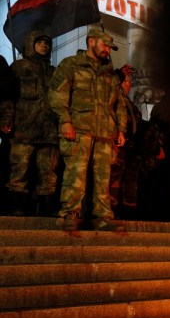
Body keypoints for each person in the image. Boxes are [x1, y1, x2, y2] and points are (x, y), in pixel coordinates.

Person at [48, 27, 127, 232]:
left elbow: (119, 105)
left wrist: (120, 129)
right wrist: (65, 121)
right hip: (79, 129)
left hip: (104, 133)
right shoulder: (71, 65)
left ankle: (102, 217)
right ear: (91, 41)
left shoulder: (110, 74)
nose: (107, 51)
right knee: (76, 173)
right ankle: (70, 214)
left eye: (110, 47)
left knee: (103, 178)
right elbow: (58, 95)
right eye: (105, 45)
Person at [1, 30, 60, 217]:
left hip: (49, 131)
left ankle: (46, 206)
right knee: (20, 169)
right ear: (30, 43)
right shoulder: (18, 67)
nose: (44, 45)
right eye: (40, 42)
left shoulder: (53, 72)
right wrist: (6, 119)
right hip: (23, 129)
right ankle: (17, 206)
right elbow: (8, 97)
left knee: (48, 171)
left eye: (47, 43)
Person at [108, 65, 142, 219]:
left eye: (129, 83)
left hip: (132, 149)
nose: (129, 85)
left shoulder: (130, 104)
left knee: (130, 182)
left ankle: (128, 212)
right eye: (126, 82)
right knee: (114, 180)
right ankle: (111, 210)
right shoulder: (114, 100)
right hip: (118, 146)